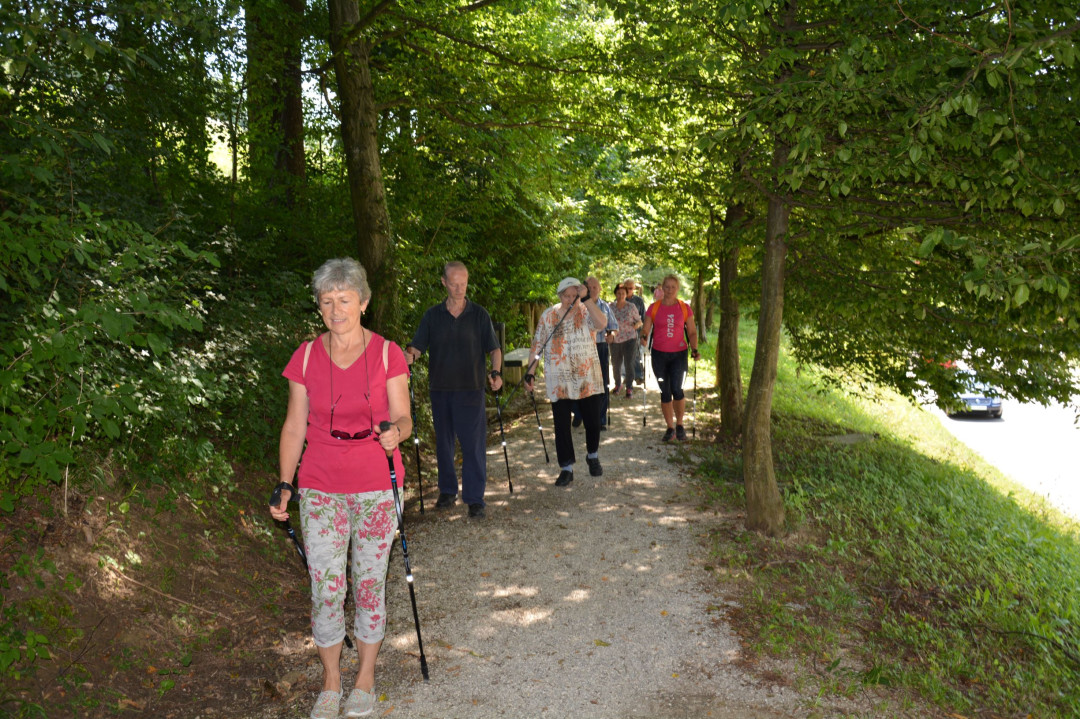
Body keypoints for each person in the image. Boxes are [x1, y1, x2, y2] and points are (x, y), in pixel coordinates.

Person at [270, 257, 413, 719]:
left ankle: (365, 678)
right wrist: (285, 484)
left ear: (363, 304)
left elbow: (404, 415)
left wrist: (397, 432)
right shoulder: (306, 356)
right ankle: (331, 680)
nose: (335, 310)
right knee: (326, 586)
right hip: (321, 485)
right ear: (319, 307)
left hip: (376, 482)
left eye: (344, 300)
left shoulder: (388, 352)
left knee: (369, 584)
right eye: (327, 302)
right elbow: (295, 426)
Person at [405, 261, 502, 520]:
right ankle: (447, 491)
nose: (460, 288)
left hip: (471, 390)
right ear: (444, 283)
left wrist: (496, 372)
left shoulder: (479, 314)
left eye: (464, 283)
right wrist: (408, 355)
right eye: (454, 283)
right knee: (444, 445)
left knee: (473, 445)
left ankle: (474, 498)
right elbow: (417, 347)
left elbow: (494, 349)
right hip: (441, 390)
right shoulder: (432, 316)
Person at [524, 277, 608, 486]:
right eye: (566, 295)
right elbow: (538, 345)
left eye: (574, 295)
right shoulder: (549, 315)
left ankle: (592, 455)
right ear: (560, 295)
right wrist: (530, 372)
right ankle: (566, 467)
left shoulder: (587, 311)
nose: (570, 299)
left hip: (587, 377)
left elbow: (602, 324)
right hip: (559, 378)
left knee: (593, 421)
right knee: (561, 425)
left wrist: (586, 299)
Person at [640, 274, 700, 442]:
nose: (670, 290)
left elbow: (692, 332)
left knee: (677, 389)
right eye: (667, 287)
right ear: (662, 288)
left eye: (673, 287)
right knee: (665, 391)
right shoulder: (654, 307)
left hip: (679, 355)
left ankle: (680, 424)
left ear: (677, 289)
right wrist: (643, 336)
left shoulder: (684, 307)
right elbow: (646, 328)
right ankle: (670, 427)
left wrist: (694, 349)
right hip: (659, 354)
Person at [572, 276, 618, 429]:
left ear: (599, 289)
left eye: (594, 287)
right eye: (588, 287)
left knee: (602, 383)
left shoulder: (605, 307)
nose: (591, 290)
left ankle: (600, 419)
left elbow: (614, 326)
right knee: (579, 382)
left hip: (600, 347)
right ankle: (579, 413)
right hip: (582, 349)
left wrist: (612, 335)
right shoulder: (576, 306)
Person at [610, 283, 642, 398]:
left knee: (629, 364)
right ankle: (618, 385)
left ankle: (629, 387)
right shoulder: (611, 307)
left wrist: (636, 325)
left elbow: (639, 321)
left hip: (629, 339)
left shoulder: (631, 307)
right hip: (615, 339)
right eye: (618, 293)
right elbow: (606, 322)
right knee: (615, 364)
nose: (620, 295)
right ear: (615, 294)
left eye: (623, 293)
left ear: (626, 294)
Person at [622, 279, 647, 385]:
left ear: (634, 289)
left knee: (636, 353)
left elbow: (644, 318)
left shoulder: (639, 301)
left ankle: (639, 375)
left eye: (631, 288)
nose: (628, 290)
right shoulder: (619, 299)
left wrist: (643, 335)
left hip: (636, 331)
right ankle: (626, 376)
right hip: (622, 332)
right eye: (626, 287)